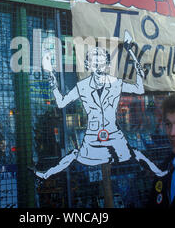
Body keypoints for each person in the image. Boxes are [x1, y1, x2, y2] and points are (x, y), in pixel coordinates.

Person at [33, 47, 166, 179]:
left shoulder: (115, 83)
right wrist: (54, 85)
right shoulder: (82, 86)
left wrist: (137, 68)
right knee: (74, 154)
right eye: (95, 64)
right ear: (87, 65)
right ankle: (45, 175)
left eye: (102, 64)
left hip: (114, 134)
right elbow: (61, 103)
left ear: (107, 65)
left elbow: (138, 89)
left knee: (134, 153)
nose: (98, 67)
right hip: (92, 136)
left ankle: (160, 173)